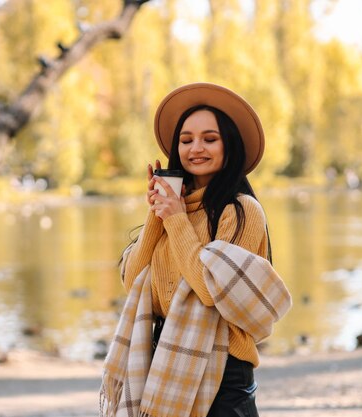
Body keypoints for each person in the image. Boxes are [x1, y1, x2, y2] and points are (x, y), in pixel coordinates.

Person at [100, 83, 292, 417]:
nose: (196, 148)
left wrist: (175, 219)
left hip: (223, 376)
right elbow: (133, 281)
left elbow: (209, 290)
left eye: (209, 139)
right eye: (186, 140)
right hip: (163, 360)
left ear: (228, 145)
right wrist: (159, 210)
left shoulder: (241, 211)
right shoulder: (176, 210)